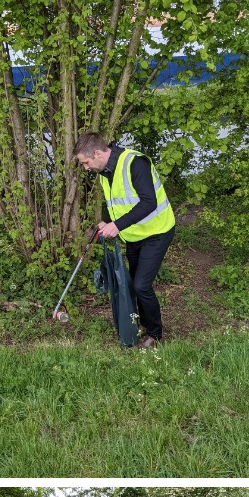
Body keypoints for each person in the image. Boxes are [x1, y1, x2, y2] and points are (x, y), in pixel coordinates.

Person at [74, 131, 176, 347]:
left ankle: (155, 334)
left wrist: (117, 225)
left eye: (86, 162)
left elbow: (149, 203)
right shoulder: (105, 171)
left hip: (157, 232)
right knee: (131, 283)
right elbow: (116, 202)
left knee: (141, 286)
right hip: (134, 235)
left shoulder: (135, 164)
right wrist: (106, 220)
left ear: (99, 153)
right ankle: (135, 322)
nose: (85, 168)